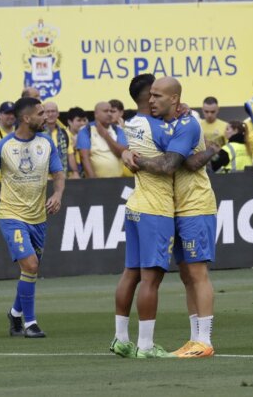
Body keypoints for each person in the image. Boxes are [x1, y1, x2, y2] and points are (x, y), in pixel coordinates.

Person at [116, 76, 218, 358]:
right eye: (151, 96)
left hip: (195, 205)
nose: (152, 100)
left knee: (197, 273)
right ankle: (194, 338)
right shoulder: (168, 125)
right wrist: (125, 151)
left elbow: (173, 164)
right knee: (187, 275)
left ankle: (205, 341)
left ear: (173, 99)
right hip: (176, 207)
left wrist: (136, 160)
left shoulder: (187, 124)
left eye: (158, 96)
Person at [0, 97, 65, 339]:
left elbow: (58, 172)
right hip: (11, 215)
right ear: (26, 118)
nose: (46, 117)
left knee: (29, 270)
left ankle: (14, 313)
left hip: (39, 217)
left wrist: (57, 193)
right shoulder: (3, 147)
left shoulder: (46, 143)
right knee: (31, 265)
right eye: (41, 113)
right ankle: (30, 323)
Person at [77, 101, 128, 178]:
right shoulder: (86, 130)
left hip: (119, 181)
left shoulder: (118, 129)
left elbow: (122, 153)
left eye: (111, 111)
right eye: (105, 111)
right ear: (96, 114)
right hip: (96, 182)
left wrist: (106, 136)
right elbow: (85, 157)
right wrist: (94, 181)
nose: (109, 114)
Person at [44, 101, 80, 178]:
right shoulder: (38, 133)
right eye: (47, 112)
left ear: (58, 114)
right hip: (44, 177)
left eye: (53, 111)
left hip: (62, 176)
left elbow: (70, 155)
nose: (50, 114)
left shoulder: (65, 133)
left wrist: (75, 172)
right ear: (43, 114)